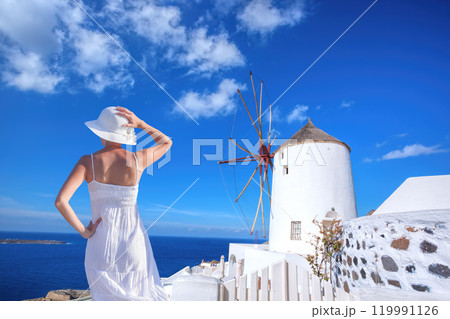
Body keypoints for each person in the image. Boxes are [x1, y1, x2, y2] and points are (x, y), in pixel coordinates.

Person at [55, 106, 172, 301]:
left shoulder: (88, 161)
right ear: (127, 134)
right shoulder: (137, 160)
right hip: (134, 246)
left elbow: (61, 202)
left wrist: (85, 232)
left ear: (102, 133)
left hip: (101, 246)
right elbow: (166, 142)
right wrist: (141, 124)